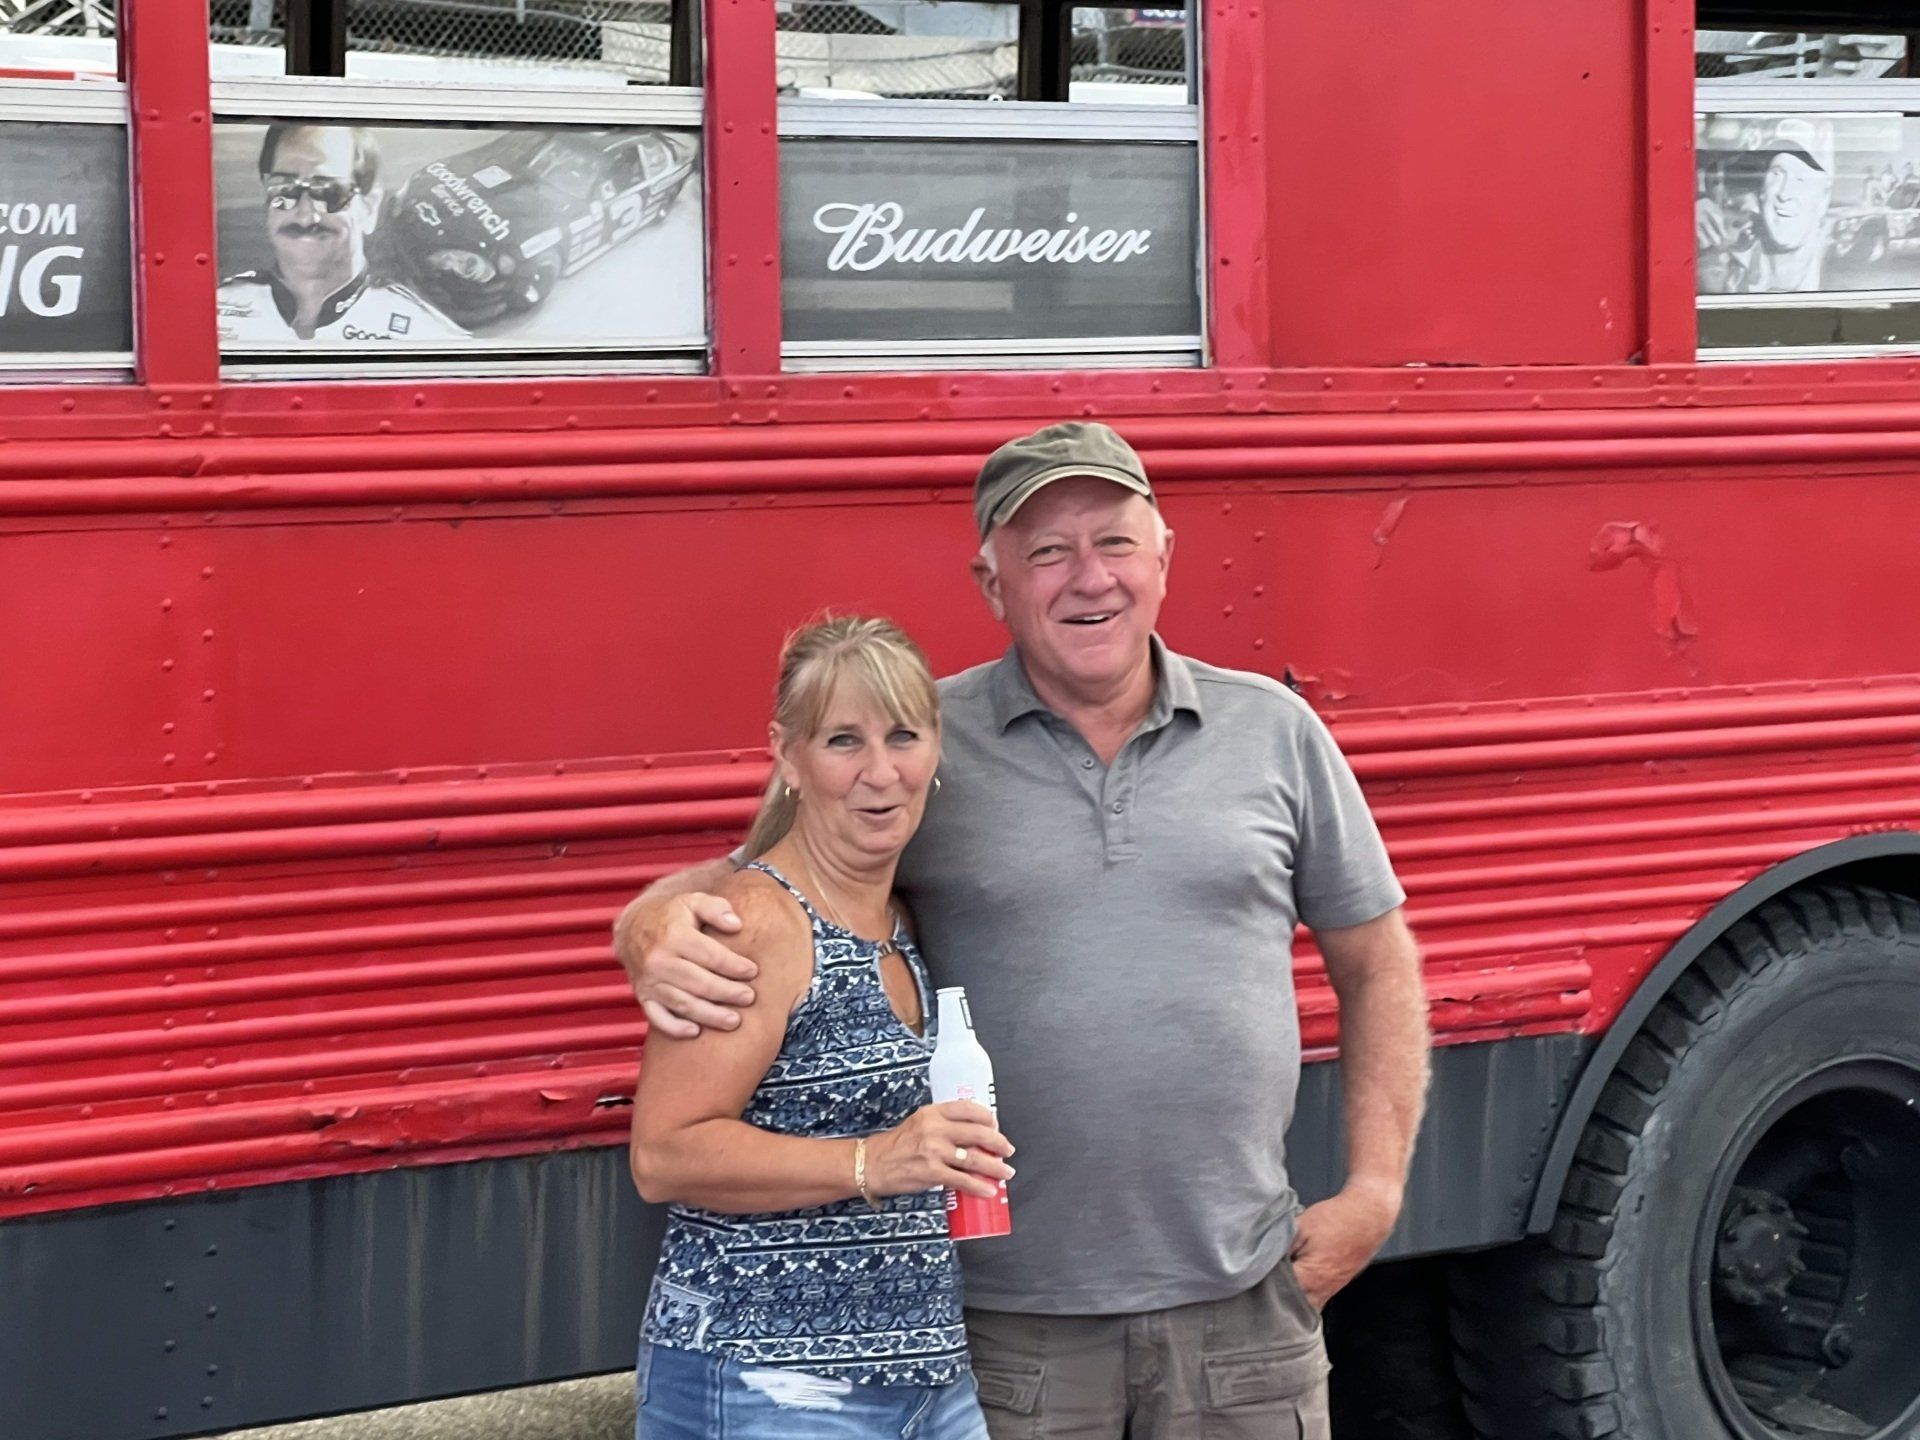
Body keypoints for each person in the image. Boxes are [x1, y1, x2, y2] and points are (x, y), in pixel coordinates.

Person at [616, 423, 1432, 1440]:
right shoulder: (924, 742)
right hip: (1006, 1328)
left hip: (1244, 1311)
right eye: (1046, 552)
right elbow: (779, 871)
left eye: (1115, 542)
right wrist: (652, 919)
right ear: (993, 584)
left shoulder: (1273, 730)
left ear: (1165, 556)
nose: (1088, 578)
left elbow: (1378, 961)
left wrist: (1377, 1189)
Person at [628, 614, 1013, 1440]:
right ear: (789, 755)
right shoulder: (756, 924)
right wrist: (876, 1159)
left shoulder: (901, 919)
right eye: (844, 741)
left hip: (926, 1380)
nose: (881, 772)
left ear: (937, 749)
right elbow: (664, 1154)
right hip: (770, 1378)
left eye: (902, 735)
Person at [216, 123, 466, 344]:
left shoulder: (426, 335)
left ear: (369, 208)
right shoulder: (211, 313)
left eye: (328, 192)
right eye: (284, 189)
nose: (305, 216)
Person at [1697, 117, 1836, 294]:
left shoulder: (1848, 274)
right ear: (1761, 190)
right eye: (1777, 174)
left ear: (1824, 198)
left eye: (1801, 179)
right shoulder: (1727, 267)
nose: (1785, 194)